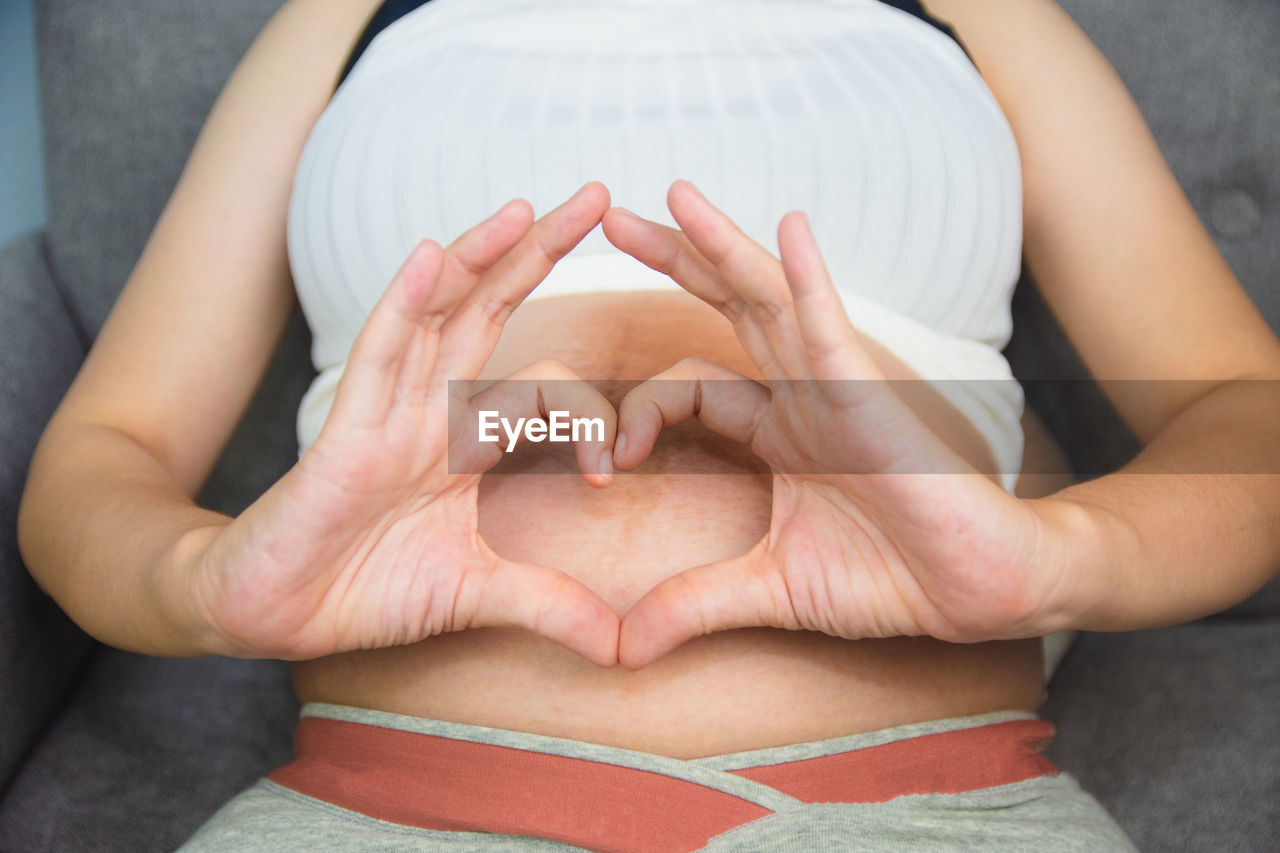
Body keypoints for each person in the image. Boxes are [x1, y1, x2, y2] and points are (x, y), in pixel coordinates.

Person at [15, 0, 1280, 850]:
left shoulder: (977, 13)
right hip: (386, 802)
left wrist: (1058, 557)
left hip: (919, 802)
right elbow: (107, 448)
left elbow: (1247, 416)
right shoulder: (340, 19)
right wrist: (200, 583)